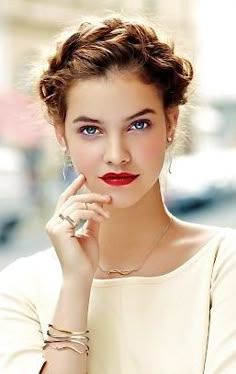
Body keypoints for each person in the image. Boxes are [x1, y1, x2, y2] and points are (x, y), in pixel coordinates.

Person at [0, 14, 236, 374]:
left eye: (138, 124)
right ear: (62, 134)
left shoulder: (223, 263)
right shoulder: (20, 288)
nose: (116, 153)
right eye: (91, 129)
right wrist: (76, 284)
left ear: (170, 123)